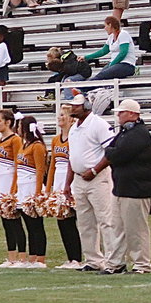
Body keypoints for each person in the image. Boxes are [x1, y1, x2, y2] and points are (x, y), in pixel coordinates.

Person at [85, 99, 151, 274]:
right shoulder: (125, 133)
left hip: (136, 188)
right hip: (121, 187)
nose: (118, 115)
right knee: (117, 227)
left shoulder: (139, 133)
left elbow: (118, 154)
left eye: (121, 112)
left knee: (136, 229)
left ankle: (142, 264)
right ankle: (115, 263)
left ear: (132, 114)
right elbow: (111, 149)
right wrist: (112, 152)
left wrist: (112, 152)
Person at [64, 95, 123, 273]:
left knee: (106, 219)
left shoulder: (98, 124)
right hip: (80, 179)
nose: (72, 109)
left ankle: (113, 260)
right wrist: (68, 183)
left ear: (87, 106)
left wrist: (95, 170)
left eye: (76, 106)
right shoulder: (74, 128)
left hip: (97, 178)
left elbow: (110, 151)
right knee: (85, 222)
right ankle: (93, 259)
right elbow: (72, 157)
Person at [48, 109, 83, 269]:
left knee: (79, 221)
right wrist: (49, 188)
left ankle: (80, 257)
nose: (59, 117)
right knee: (62, 221)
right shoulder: (55, 140)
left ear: (71, 119)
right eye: (59, 114)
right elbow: (52, 167)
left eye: (63, 115)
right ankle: (71, 258)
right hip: (58, 182)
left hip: (73, 181)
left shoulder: (75, 138)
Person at [0, 110, 25, 268]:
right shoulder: (0, 140)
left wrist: (14, 188)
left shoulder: (15, 140)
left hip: (10, 185)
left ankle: (22, 257)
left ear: (8, 123)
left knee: (15, 222)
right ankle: (11, 257)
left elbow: (19, 164)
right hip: (0, 185)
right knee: (6, 223)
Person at [15, 115, 48, 269]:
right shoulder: (24, 145)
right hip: (23, 188)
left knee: (36, 225)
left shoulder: (37, 146)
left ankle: (40, 259)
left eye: (20, 125)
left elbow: (41, 170)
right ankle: (32, 257)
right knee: (28, 224)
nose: (18, 128)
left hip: (32, 188)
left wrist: (37, 193)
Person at [84, 15, 137, 82]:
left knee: (103, 75)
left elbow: (123, 53)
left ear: (110, 25)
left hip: (126, 65)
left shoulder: (123, 34)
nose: (105, 28)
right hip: (115, 64)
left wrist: (112, 64)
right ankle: (86, 89)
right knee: (100, 75)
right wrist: (86, 57)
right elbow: (103, 51)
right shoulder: (111, 37)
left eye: (105, 26)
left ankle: (82, 88)